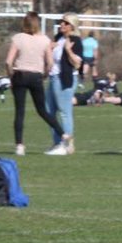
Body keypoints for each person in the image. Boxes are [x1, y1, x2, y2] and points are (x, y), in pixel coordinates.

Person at [5, 11, 70, 156]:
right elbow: (51, 62)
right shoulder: (45, 40)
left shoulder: (18, 38)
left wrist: (11, 75)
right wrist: (45, 74)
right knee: (42, 110)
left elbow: (8, 61)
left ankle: (20, 145)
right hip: (36, 76)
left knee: (19, 111)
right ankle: (63, 134)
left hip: (20, 75)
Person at [46, 14, 83, 154]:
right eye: (61, 22)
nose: (61, 25)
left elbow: (77, 64)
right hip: (53, 77)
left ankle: (66, 144)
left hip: (65, 78)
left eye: (65, 23)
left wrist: (68, 50)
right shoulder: (58, 38)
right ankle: (57, 142)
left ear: (72, 26)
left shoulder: (75, 41)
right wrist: (49, 48)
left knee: (65, 112)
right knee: (48, 111)